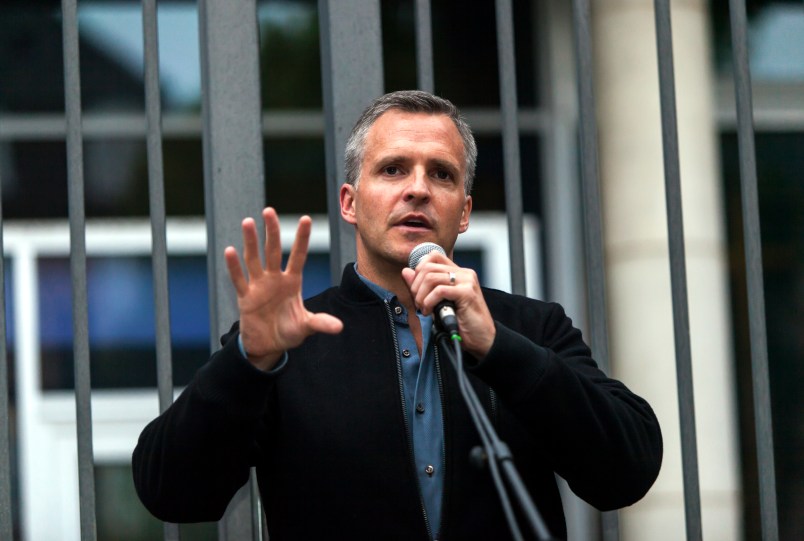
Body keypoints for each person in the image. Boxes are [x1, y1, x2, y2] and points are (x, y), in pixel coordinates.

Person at [133, 90, 662, 540]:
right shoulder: (288, 338)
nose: (417, 188)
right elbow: (172, 494)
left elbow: (626, 472)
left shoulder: (531, 328)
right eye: (392, 169)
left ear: (464, 211)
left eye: (442, 174)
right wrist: (247, 363)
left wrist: (501, 349)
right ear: (349, 202)